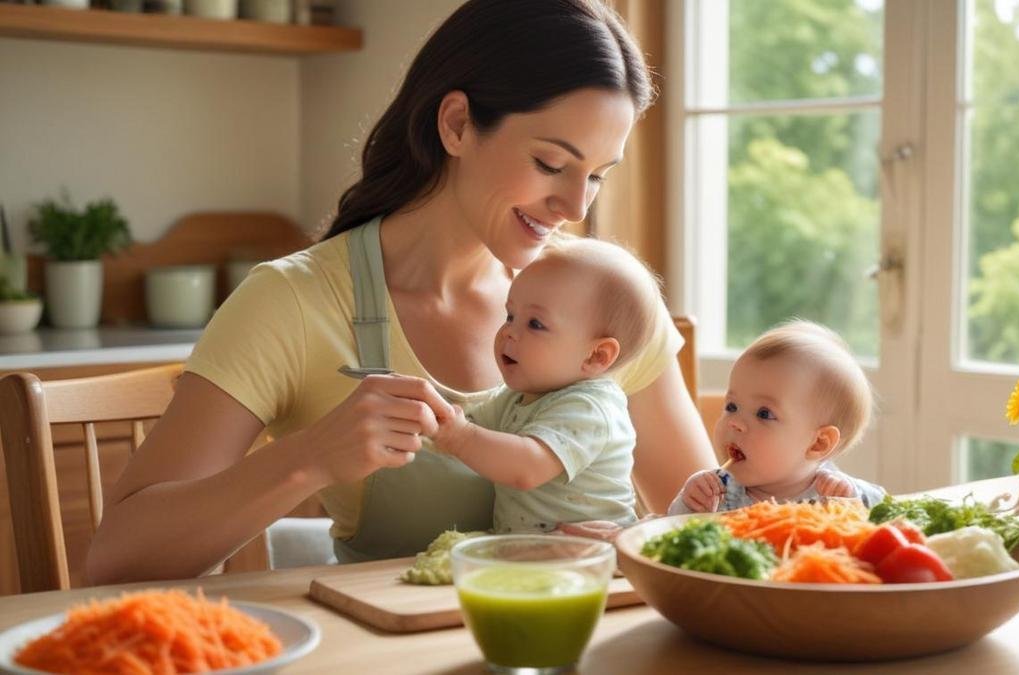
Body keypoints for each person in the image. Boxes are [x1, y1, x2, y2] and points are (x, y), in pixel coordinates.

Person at [86, 0, 716, 583]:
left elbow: (711, 531)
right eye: (552, 164)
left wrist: (635, 542)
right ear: (458, 124)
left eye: (597, 177)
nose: (575, 206)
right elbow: (116, 559)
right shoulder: (295, 302)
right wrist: (310, 458)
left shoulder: (604, 301)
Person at [431, 238, 661, 533]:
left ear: (596, 355)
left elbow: (526, 468)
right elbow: (468, 421)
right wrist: (433, 417)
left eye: (535, 324)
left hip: (590, 559)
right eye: (510, 315)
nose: (509, 332)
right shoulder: (517, 398)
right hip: (537, 559)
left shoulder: (591, 408)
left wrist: (460, 438)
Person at [668, 320, 886, 515]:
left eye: (764, 414)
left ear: (818, 443)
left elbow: (892, 519)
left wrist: (852, 509)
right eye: (732, 406)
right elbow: (671, 538)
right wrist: (689, 505)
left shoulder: (840, 495)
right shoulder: (717, 493)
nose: (734, 422)